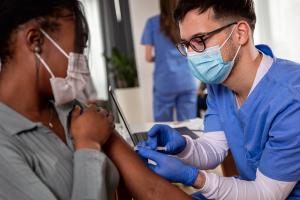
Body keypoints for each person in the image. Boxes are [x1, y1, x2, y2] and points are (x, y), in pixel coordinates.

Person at [0, 0, 193, 199]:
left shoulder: (70, 109)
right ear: (35, 40)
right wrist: (88, 145)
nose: (82, 61)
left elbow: (153, 189)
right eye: (78, 47)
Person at [137, 0, 300, 199]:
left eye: (199, 39)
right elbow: (214, 148)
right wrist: (184, 147)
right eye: (186, 44)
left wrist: (194, 178)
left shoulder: (292, 98)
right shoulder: (219, 84)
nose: (191, 54)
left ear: (240, 33)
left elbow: (266, 194)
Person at [141, 0, 197, 122]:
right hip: (187, 80)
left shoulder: (152, 23)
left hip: (164, 82)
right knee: (190, 125)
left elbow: (148, 57)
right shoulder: (186, 20)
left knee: (164, 125)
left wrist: (161, 57)